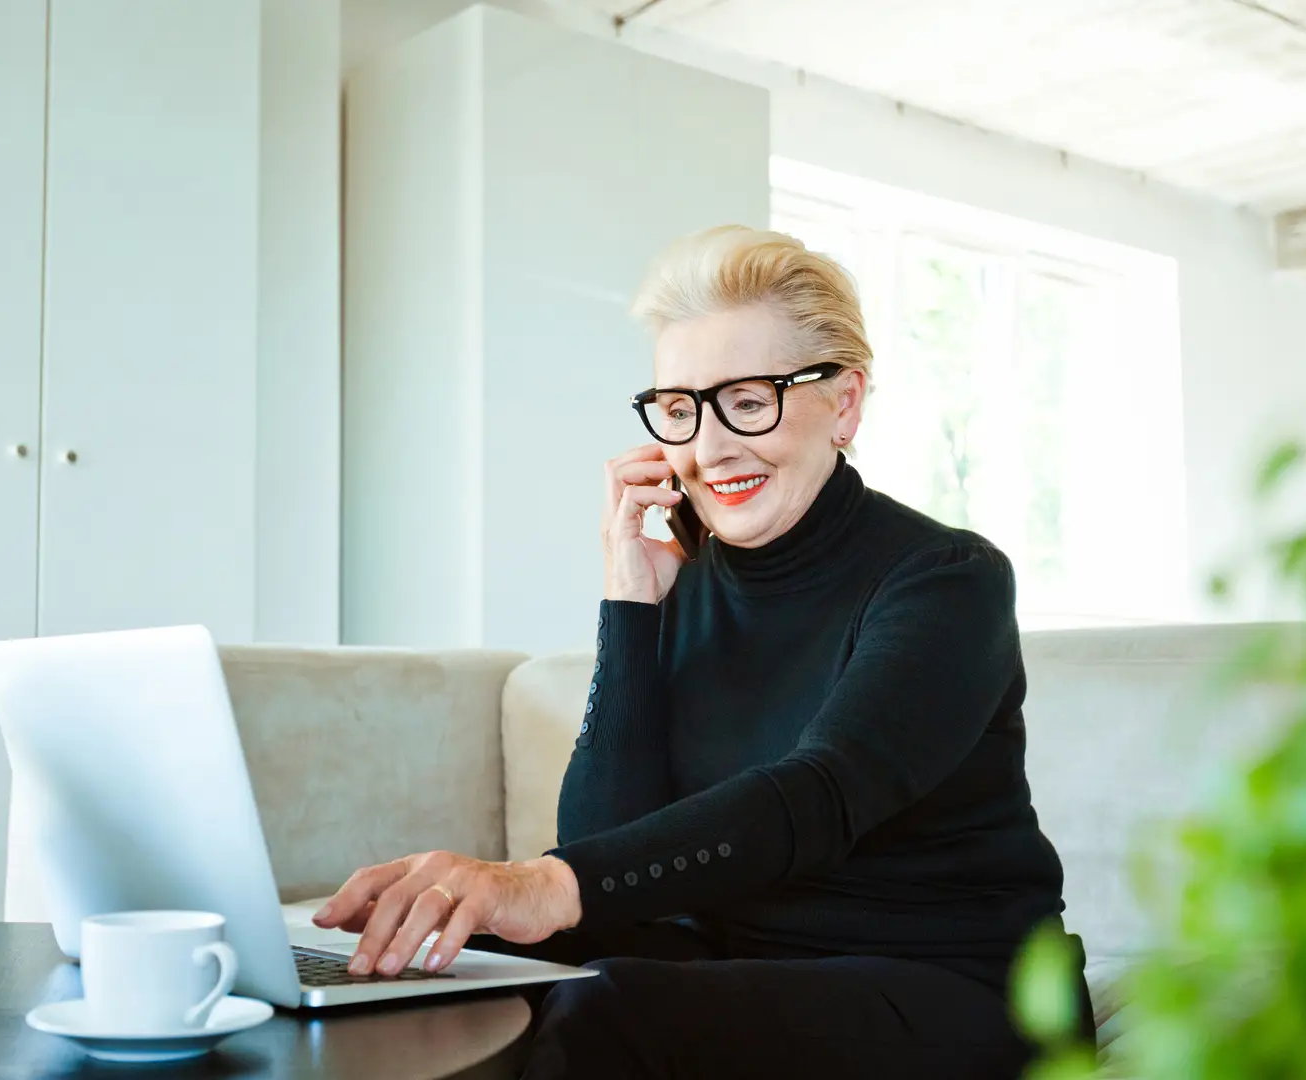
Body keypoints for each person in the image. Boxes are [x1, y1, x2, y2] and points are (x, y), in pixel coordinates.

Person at [311, 225, 1094, 1078]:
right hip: (752, 973)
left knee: (602, 1005)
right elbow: (607, 854)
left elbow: (820, 795)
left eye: (748, 401)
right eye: (679, 409)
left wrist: (535, 882)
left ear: (846, 404)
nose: (708, 448)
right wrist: (631, 602)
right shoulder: (685, 585)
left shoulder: (947, 581)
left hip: (961, 992)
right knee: (492, 984)